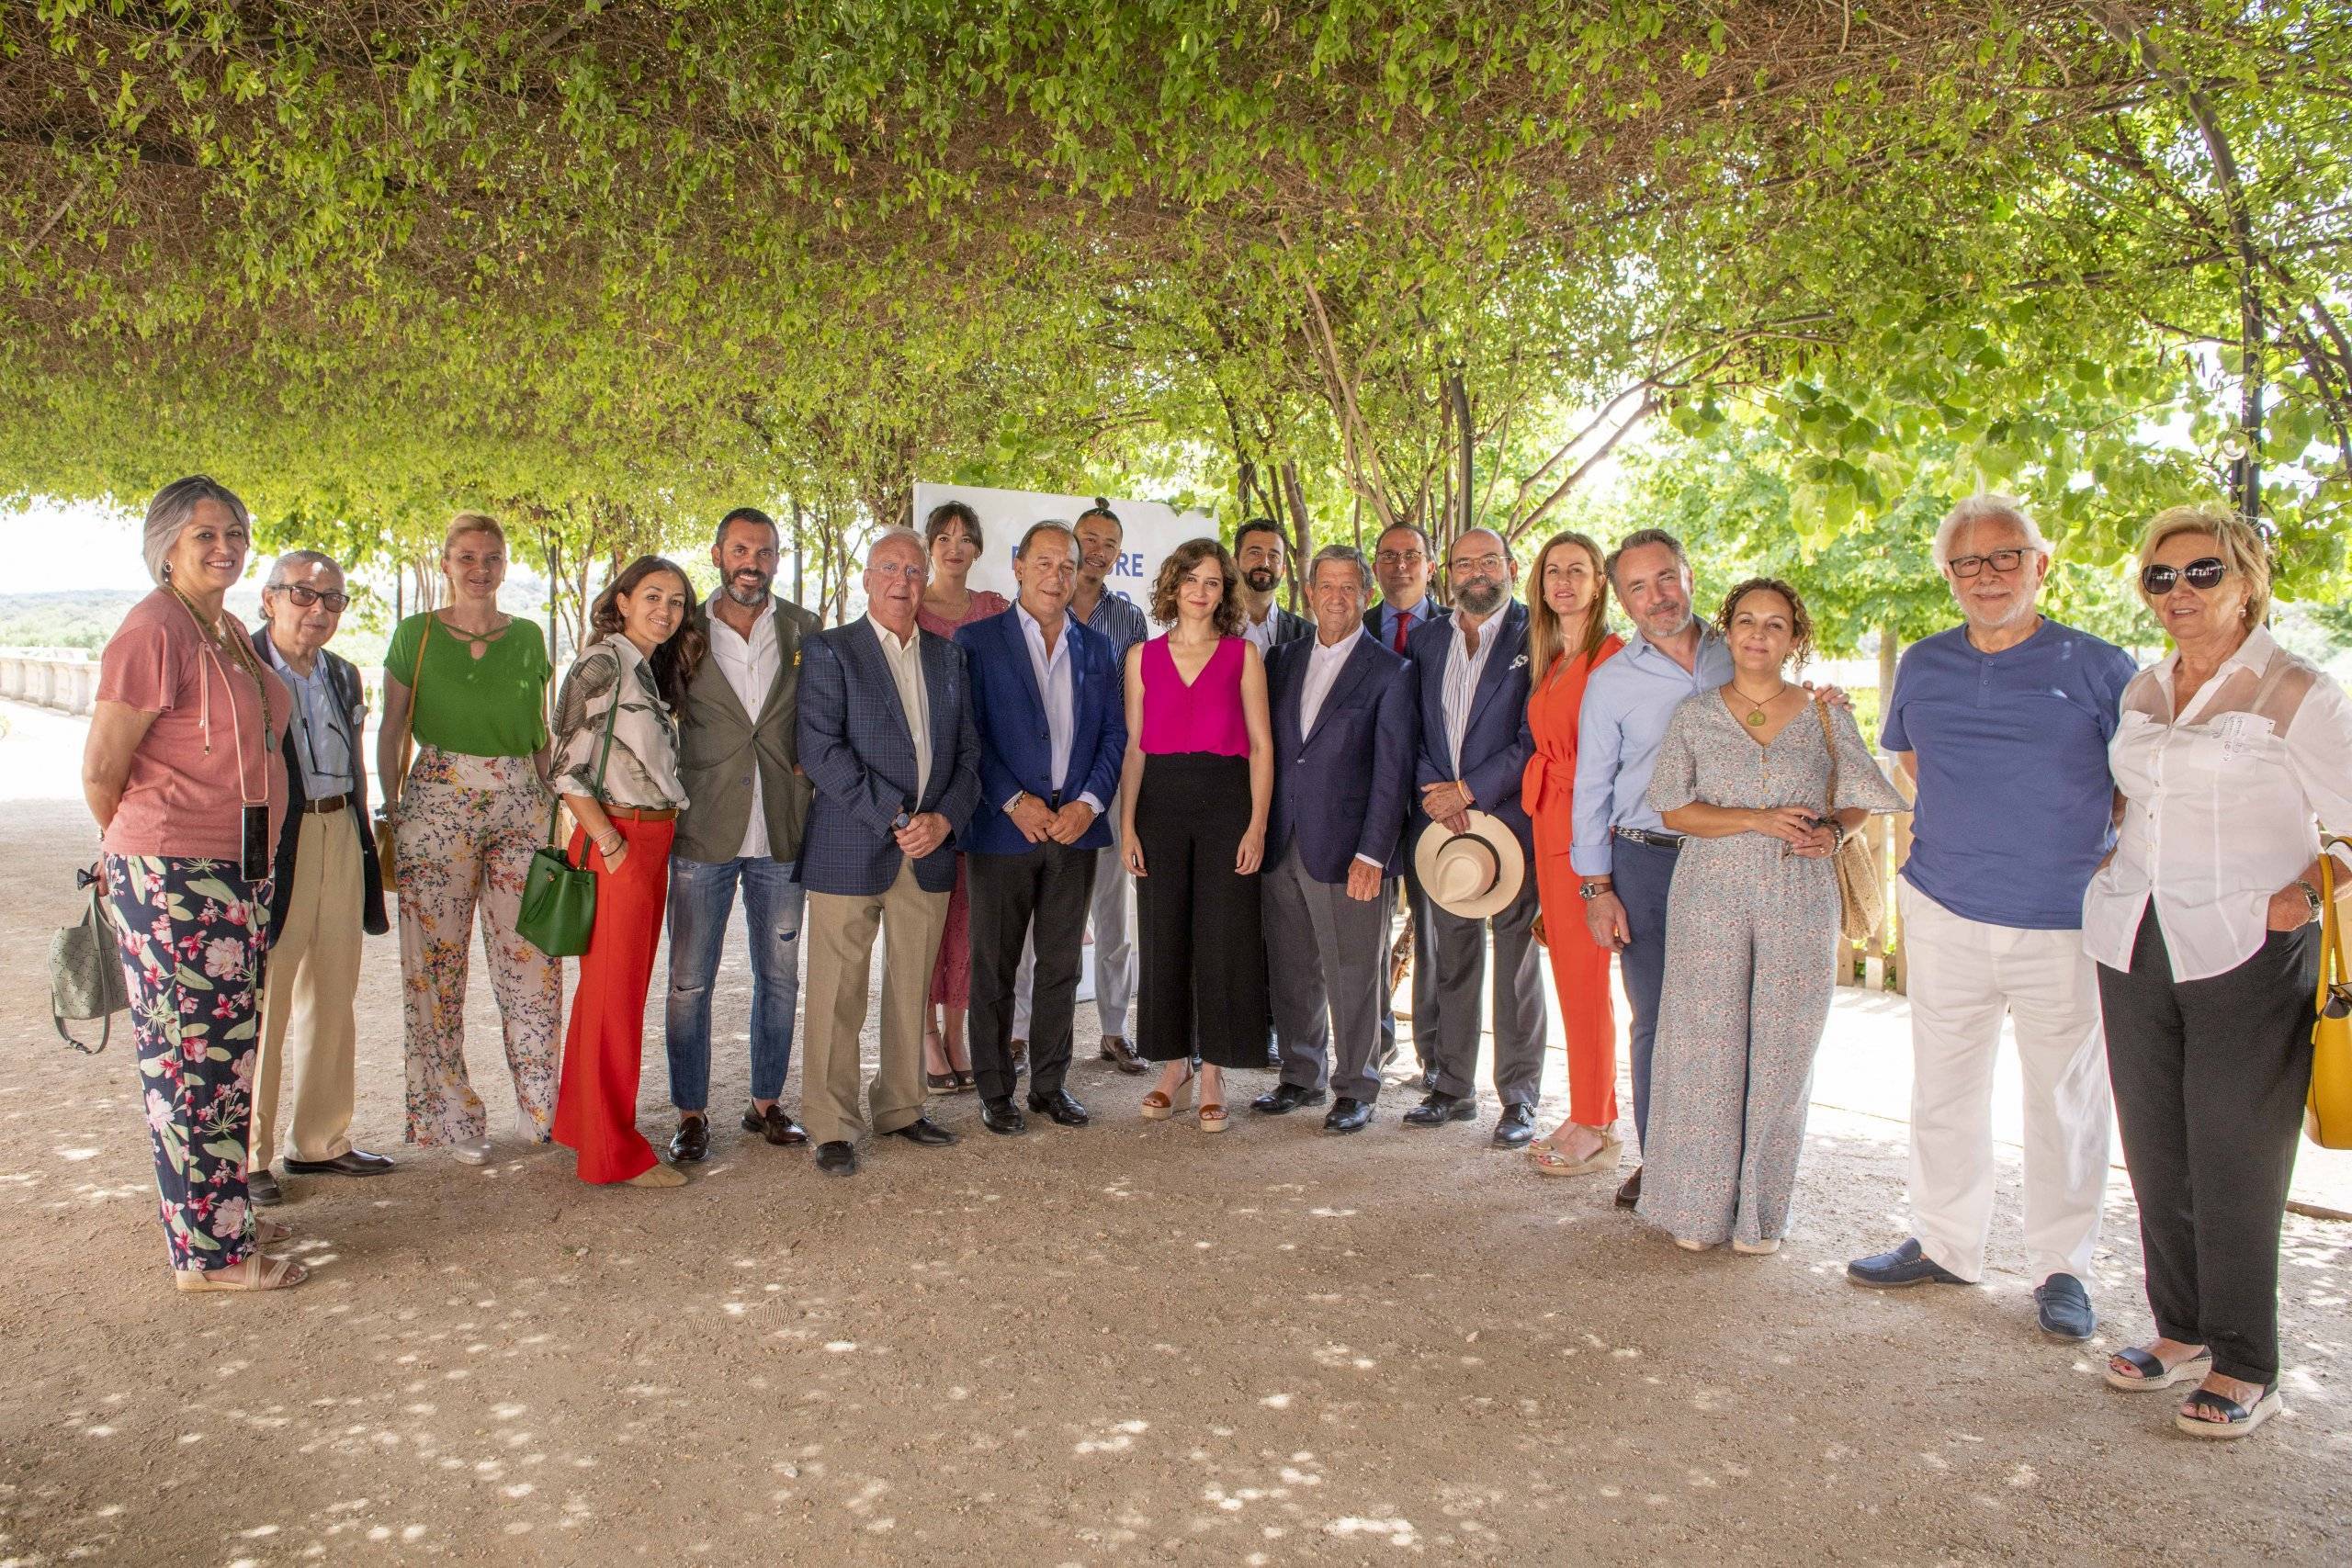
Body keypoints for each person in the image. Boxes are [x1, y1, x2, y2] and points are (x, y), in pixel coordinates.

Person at [2086, 504, 2352, 1439]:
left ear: (2245, 579)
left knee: (2235, 1156)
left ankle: (2247, 1361)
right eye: (2160, 578)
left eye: (2201, 572)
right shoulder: (2144, 688)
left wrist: (2305, 896)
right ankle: (2182, 1331)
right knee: (2157, 1145)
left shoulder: (2297, 690)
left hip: (2245, 942)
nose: (2179, 593)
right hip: (2133, 935)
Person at [1846, 496, 2137, 1341]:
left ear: (2041, 564)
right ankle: (1946, 1241)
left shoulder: (2098, 664)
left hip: (2062, 916)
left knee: (2065, 1100)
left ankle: (2061, 1267)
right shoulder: (1927, 666)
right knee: (1944, 1087)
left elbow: (2132, 780)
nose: (1986, 575)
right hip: (1943, 905)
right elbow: (1908, 763)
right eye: (1967, 563)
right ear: (1948, 576)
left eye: (2005, 556)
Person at [1637, 579, 1905, 1252]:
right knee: (1705, 1048)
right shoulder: (1695, 715)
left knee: (1785, 1050)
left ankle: (1760, 1215)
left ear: (1795, 637)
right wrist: (1757, 818)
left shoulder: (1825, 714)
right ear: (1727, 631)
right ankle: (1698, 1210)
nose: (1759, 634)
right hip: (1709, 890)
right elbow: (1673, 808)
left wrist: (1835, 833)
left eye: (1776, 624)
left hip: (1798, 890)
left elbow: (1858, 799)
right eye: (1747, 621)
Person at [84, 476, 302, 1290]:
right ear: (166, 546)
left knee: (224, 1056)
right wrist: (144, 857)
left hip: (233, 872)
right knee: (190, 1062)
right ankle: (208, 1260)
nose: (226, 547)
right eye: (206, 534)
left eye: (237, 533)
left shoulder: (224, 629)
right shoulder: (153, 630)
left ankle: (215, 1213)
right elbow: (103, 770)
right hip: (178, 876)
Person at [795, 529, 981, 1177]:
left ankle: (902, 1106)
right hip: (852, 845)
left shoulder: (949, 659)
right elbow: (820, 750)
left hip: (928, 849)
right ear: (868, 578)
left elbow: (968, 759)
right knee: (837, 992)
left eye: (913, 569)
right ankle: (830, 1123)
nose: (902, 580)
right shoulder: (829, 651)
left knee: (911, 988)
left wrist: (941, 819)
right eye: (890, 568)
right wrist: (899, 815)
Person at [379, 513, 561, 1165]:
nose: (479, 568)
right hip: (436, 799)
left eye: (491, 557)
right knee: (435, 965)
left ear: (505, 564)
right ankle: (447, 1117)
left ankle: (543, 1111)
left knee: (531, 961)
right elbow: (393, 725)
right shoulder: (416, 634)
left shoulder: (530, 637)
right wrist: (393, 804)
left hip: (521, 801)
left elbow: (539, 731)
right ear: (447, 562)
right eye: (466, 557)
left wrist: (555, 809)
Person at [1571, 528, 1733, 1208]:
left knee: (1731, 1017)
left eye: (1665, 577)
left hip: (1734, 858)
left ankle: (1728, 1164)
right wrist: (1597, 887)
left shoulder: (1743, 651)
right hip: (1648, 861)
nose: (1656, 596)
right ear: (1622, 599)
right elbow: (1591, 788)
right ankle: (1661, 1160)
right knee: (1657, 1020)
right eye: (1637, 586)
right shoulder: (1611, 681)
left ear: (1690, 574)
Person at [663, 507, 823, 1163]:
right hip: (704, 825)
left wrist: (813, 758)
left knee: (779, 976)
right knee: (688, 982)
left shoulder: (804, 629)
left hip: (782, 826)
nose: (750, 561)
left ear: (777, 560)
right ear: (717, 553)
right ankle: (691, 1112)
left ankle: (766, 1104)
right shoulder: (682, 629)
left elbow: (822, 707)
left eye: (762, 551)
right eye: (739, 549)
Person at [957, 522, 1126, 1134]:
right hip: (1005, 829)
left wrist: (1089, 801)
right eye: (1045, 562)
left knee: (1061, 964)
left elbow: (1114, 735)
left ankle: (1049, 1085)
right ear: (1019, 565)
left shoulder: (1098, 648)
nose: (1056, 575)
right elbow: (968, 733)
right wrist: (1010, 799)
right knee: (995, 964)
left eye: (1067, 565)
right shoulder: (976, 642)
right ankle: (995, 1091)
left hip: (1074, 829)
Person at [548, 557, 704, 1189]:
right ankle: (613, 1152)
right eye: (652, 596)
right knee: (616, 1001)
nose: (665, 610)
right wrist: (609, 840)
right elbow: (563, 768)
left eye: (675, 601)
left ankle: (581, 1125)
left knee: (606, 995)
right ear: (622, 599)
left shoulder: (647, 667)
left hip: (651, 837)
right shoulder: (602, 664)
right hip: (621, 838)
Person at [247, 548, 393, 1209]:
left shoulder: (343, 673)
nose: (319, 609)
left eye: (332, 598)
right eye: (303, 594)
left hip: (341, 832)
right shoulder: (240, 667)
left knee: (334, 989)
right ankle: (247, 1153)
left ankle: (320, 1141)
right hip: (278, 841)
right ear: (269, 598)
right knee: (266, 996)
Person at [1253, 545, 1415, 1133]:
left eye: (1349, 586)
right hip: (1282, 841)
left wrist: (1374, 853)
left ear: (1365, 595)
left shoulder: (1390, 671)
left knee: (1352, 972)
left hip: (1351, 851)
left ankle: (1357, 1086)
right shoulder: (1281, 660)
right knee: (1293, 965)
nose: (1337, 596)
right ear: (1310, 591)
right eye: (1327, 585)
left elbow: (1392, 772)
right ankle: (1300, 1074)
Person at [1121, 537, 1273, 1133]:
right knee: (1163, 934)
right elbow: (1134, 747)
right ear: (1172, 584)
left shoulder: (1243, 655)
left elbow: (1262, 747)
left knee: (1224, 936)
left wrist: (1256, 824)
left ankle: (1214, 1071)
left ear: (1224, 591)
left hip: (1226, 803)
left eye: (1213, 581)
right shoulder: (1141, 656)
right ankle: (1174, 1065)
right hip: (1158, 801)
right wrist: (1128, 822)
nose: (1201, 590)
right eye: (1191, 578)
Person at [1402, 528, 1544, 1146]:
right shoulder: (1427, 637)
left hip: (1510, 825)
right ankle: (1452, 1087)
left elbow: (1535, 736)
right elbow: (1409, 728)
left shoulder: (1537, 634)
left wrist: (1471, 791)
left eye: (1490, 560)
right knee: (1454, 959)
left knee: (1516, 965)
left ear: (1511, 567)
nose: (1479, 571)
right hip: (1446, 830)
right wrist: (1438, 792)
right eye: (1466, 563)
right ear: (1447, 573)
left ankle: (1518, 1097)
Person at [1012, 500, 1152, 1075]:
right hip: (1041, 787)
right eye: (1087, 540)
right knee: (1030, 915)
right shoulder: (1035, 611)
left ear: (1119, 555)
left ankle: (1115, 1029)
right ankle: (1021, 1032)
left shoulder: (1129, 620)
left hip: (1109, 779)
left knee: (1113, 908)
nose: (1097, 551)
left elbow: (1136, 711)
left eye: (1109, 544)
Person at [1519, 533, 1627, 1176]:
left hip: (1586, 831)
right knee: (1571, 979)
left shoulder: (1609, 656)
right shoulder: (1553, 655)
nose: (1564, 580)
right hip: (1550, 820)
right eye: (1553, 570)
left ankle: (1595, 1125)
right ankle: (1594, 1107)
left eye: (1577, 570)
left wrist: (1598, 856)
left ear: (1598, 582)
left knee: (1586, 981)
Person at [915, 500, 1011, 1090]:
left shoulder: (993, 610)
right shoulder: (909, 607)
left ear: (978, 548)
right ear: (931, 546)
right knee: (924, 913)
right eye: (943, 536)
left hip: (979, 782)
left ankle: (958, 1035)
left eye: (964, 537)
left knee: (970, 918)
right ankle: (925, 1037)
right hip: (923, 782)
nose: (954, 546)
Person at [1365, 521, 1447, 1080]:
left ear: (1430, 566)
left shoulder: (1455, 626)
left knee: (1436, 931)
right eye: (1388, 556)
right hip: (1367, 804)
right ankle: (1374, 1040)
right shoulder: (1357, 626)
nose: (1399, 565)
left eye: (1411, 555)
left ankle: (1438, 1056)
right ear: (1375, 566)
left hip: (1432, 805)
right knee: (1364, 930)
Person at [1235, 517, 1313, 659]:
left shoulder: (1307, 635)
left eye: (1273, 556)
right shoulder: (1213, 628)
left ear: (1283, 570)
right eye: (1255, 553)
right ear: (1234, 563)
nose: (1265, 563)